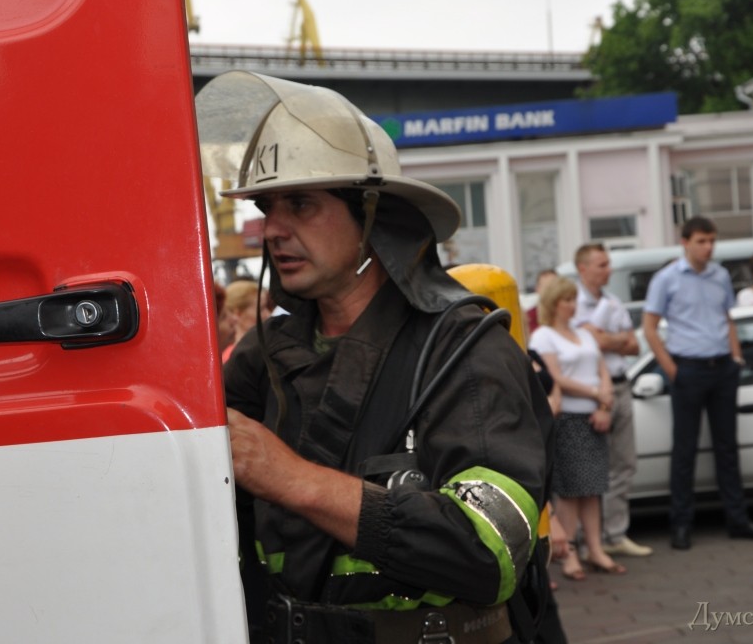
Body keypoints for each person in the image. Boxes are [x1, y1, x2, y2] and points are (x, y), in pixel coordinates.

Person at [196, 71, 550, 644]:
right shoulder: (262, 359)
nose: (273, 229)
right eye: (267, 206)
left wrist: (290, 477)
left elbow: (489, 551)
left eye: (301, 205)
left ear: (372, 215)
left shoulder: (462, 350)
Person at [643, 216, 753, 550]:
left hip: (722, 369)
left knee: (727, 448)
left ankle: (738, 520)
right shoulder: (666, 278)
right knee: (685, 450)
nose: (708, 247)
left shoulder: (720, 275)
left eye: (712, 241)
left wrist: (736, 357)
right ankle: (681, 524)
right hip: (687, 369)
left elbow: (726, 318)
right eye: (701, 241)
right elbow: (649, 327)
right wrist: (672, 370)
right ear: (685, 243)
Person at [530, 276, 625, 580]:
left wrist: (604, 404)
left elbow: (603, 371)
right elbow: (555, 378)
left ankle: (595, 548)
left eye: (574, 299)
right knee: (570, 490)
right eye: (566, 300)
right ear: (553, 304)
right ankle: (568, 553)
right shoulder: (543, 336)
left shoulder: (584, 333)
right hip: (568, 419)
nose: (572, 305)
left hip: (593, 417)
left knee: (593, 489)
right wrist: (596, 394)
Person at [572, 244, 651, 558]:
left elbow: (633, 346)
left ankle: (614, 534)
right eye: (602, 265)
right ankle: (585, 540)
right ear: (583, 269)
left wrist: (607, 338)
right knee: (589, 469)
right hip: (591, 392)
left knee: (623, 464)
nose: (609, 270)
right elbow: (590, 344)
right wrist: (612, 339)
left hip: (621, 385)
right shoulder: (573, 303)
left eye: (608, 264)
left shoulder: (613, 302)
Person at [220, 279, 273, 361]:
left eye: (267, 307)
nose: (268, 314)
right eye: (261, 309)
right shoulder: (233, 357)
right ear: (238, 314)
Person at [526, 269, 558, 334]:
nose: (551, 292)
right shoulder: (528, 318)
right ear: (537, 289)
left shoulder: (569, 314)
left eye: (554, 287)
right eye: (547, 288)